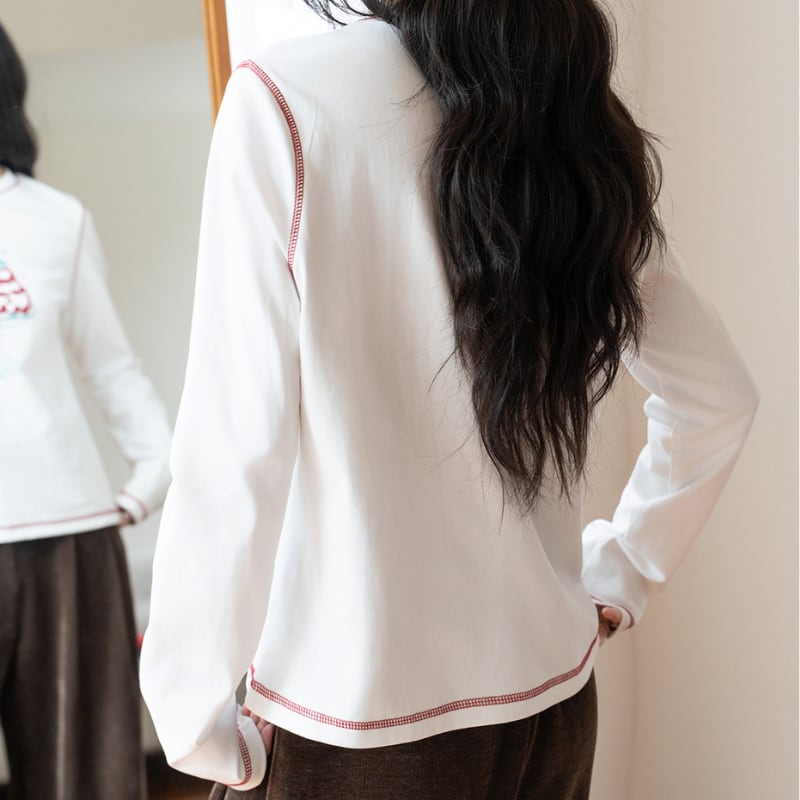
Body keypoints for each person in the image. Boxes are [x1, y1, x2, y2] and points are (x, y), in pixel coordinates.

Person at [140, 2, 759, 798]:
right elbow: (717, 396)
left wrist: (190, 714)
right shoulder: (566, 104)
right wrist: (624, 571)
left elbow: (234, 448)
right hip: (553, 706)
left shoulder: (285, 101)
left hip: (358, 727)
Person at [0, 22, 172, 800]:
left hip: (66, 541)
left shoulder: (53, 220)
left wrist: (148, 481)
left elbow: (112, 370)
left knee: (84, 782)